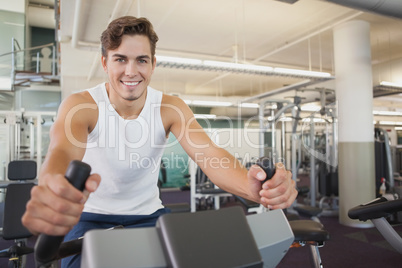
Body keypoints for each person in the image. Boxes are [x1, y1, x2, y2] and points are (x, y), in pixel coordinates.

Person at [22, 16, 297, 267]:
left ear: (153, 64)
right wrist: (51, 188)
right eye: (120, 59)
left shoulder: (170, 107)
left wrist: (256, 190)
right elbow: (61, 150)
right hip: (90, 216)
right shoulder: (81, 105)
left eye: (141, 60)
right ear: (105, 63)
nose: (131, 71)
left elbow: (210, 155)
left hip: (148, 214)